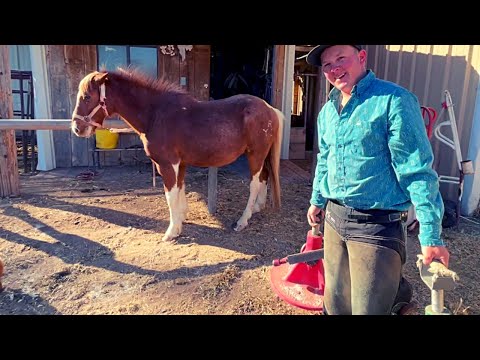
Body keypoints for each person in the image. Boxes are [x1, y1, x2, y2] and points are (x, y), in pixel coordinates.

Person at [305, 45, 450, 315]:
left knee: (370, 309)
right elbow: (325, 159)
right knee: (335, 303)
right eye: (326, 65)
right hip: (334, 220)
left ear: (361, 58)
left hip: (376, 227)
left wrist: (431, 235)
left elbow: (416, 170)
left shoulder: (393, 100)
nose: (334, 69)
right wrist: (317, 200)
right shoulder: (328, 111)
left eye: (341, 59)